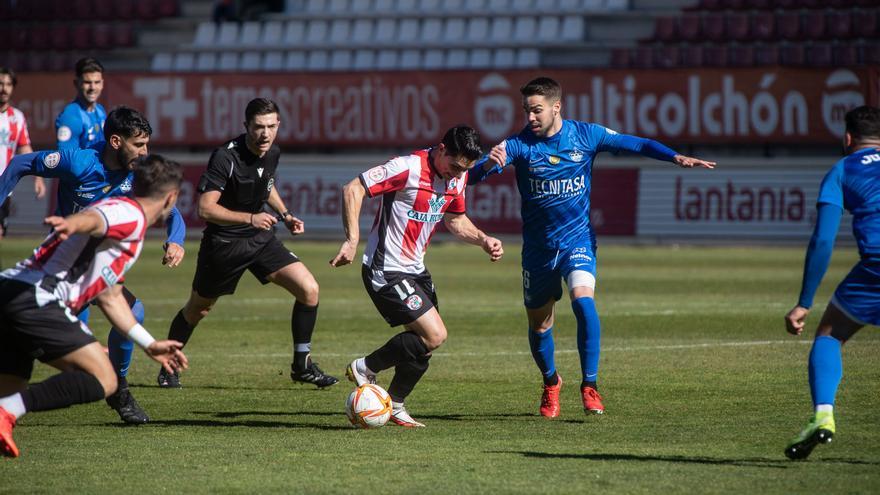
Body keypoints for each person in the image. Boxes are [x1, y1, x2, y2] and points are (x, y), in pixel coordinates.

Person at [469, 77, 715, 418]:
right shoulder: (517, 145)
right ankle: (551, 382)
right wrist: (486, 163)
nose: (530, 118)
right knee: (540, 326)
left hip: (578, 240)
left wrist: (675, 157)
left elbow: (637, 144)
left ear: (557, 107)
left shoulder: (586, 135)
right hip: (539, 250)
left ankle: (590, 386)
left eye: (537, 110)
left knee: (584, 302)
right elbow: (470, 178)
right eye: (526, 111)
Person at [0, 106, 187, 424]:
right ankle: (118, 391)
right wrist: (75, 223)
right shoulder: (81, 163)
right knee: (97, 372)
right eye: (138, 144)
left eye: (146, 145)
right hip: (49, 285)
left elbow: (110, 295)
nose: (144, 153)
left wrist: (177, 238)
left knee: (12, 389)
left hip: (33, 282)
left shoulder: (134, 182)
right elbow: (98, 215)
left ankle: (117, 388)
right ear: (116, 141)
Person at [331, 125, 504, 427]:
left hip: (416, 270)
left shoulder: (458, 177)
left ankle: (395, 404)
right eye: (453, 166)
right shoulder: (406, 168)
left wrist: (483, 239)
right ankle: (364, 367)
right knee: (435, 334)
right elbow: (353, 189)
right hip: (386, 270)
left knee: (423, 346)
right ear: (441, 149)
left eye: (463, 169)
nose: (456, 174)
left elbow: (456, 220)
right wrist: (352, 240)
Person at [158, 97, 337, 389]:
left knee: (309, 289)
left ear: (278, 125)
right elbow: (205, 208)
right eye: (258, 127)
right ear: (246, 127)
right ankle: (167, 366)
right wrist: (250, 219)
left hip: (260, 240)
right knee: (198, 309)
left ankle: (302, 365)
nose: (265, 133)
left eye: (270, 126)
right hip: (224, 244)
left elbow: (266, 184)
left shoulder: (272, 152)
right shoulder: (225, 157)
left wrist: (286, 214)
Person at [783, 105, 880, 460]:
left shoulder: (842, 170)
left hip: (876, 268)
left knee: (830, 335)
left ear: (848, 138)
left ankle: (823, 415)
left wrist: (804, 301)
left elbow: (823, 241)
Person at [0, 67, 45, 242]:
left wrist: (38, 177)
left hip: (4, 184)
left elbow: (24, 148)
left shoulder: (17, 117)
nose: (4, 88)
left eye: (8, 84)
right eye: (0, 84)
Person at [56, 57, 107, 151]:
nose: (93, 87)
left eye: (97, 82)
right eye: (87, 82)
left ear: (102, 84)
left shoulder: (100, 110)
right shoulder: (70, 117)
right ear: (76, 83)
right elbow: (66, 158)